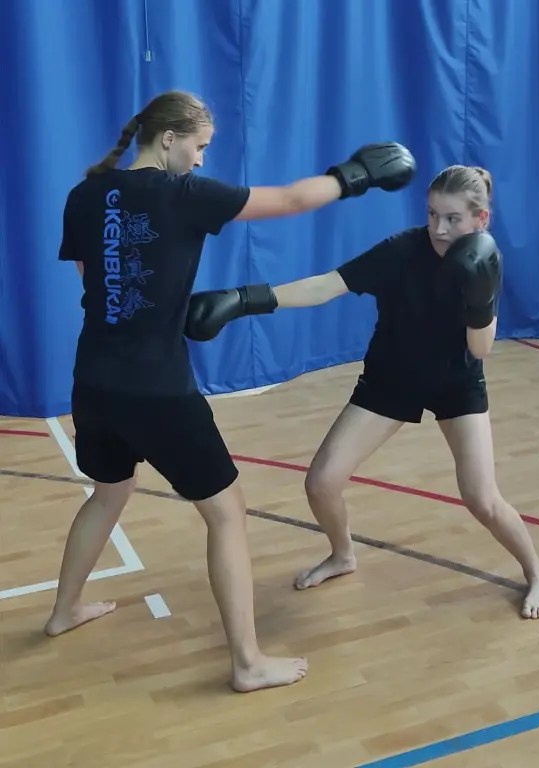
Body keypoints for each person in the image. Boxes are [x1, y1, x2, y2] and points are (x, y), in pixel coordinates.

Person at [48, 88, 417, 692]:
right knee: (226, 513)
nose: (199, 159)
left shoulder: (84, 195)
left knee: (109, 492)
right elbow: (291, 199)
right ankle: (247, 662)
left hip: (92, 382)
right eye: (198, 146)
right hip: (158, 391)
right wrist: (356, 175)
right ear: (169, 138)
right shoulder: (184, 194)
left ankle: (64, 611)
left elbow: (97, 284)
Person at [185, 164, 539, 621]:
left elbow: (480, 349)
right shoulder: (402, 250)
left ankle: (537, 572)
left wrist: (479, 299)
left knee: (482, 498)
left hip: (456, 383)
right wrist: (245, 300)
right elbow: (326, 286)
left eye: (452, 218)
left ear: (481, 219)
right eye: (432, 214)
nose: (439, 228)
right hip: (391, 378)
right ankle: (343, 555)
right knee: (321, 483)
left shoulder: (484, 262)